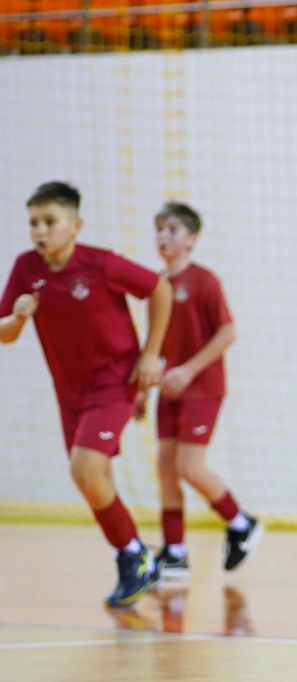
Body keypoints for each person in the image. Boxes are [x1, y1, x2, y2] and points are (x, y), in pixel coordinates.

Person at [0, 181, 171, 606]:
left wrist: (151, 354)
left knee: (84, 469)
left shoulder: (100, 264)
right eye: (34, 223)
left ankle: (133, 555)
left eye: (50, 221)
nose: (40, 231)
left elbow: (160, 289)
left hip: (114, 381)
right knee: (95, 479)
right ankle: (136, 557)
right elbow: (4, 333)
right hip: (69, 390)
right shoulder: (26, 268)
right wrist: (18, 319)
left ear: (76, 225)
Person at [145, 201, 262, 578]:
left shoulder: (205, 281)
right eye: (159, 229)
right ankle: (175, 553)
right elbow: (156, 346)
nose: (163, 236)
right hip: (169, 390)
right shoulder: (157, 286)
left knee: (189, 466)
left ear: (192, 239)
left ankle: (241, 522)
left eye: (172, 229)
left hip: (203, 387)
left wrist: (189, 371)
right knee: (166, 468)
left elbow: (228, 332)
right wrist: (143, 390)